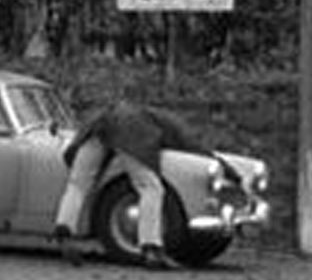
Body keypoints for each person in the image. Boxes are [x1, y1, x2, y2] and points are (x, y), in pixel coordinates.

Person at [52, 99, 225, 269]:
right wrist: (223, 165)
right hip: (130, 136)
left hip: (98, 130)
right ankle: (150, 246)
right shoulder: (167, 123)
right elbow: (191, 146)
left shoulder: (115, 109)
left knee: (78, 184)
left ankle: (65, 229)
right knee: (151, 188)